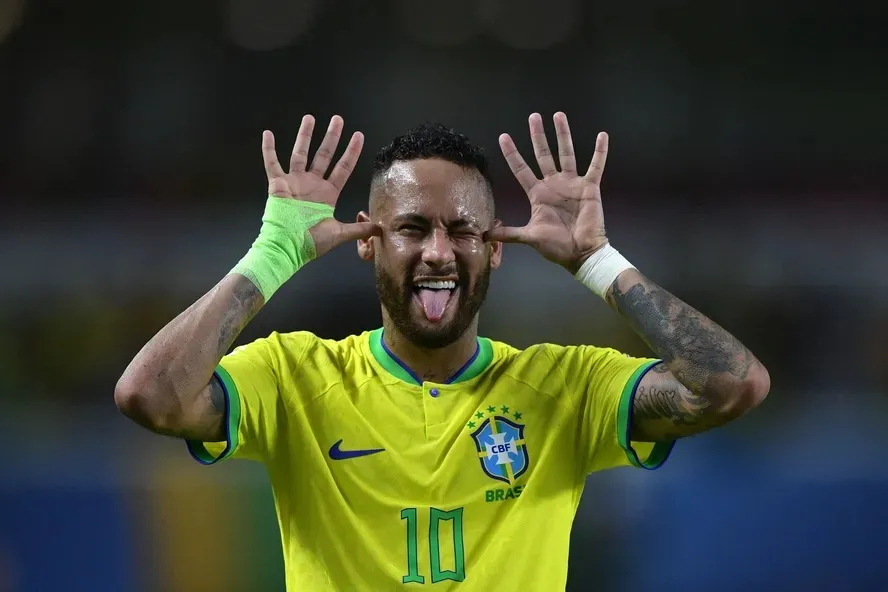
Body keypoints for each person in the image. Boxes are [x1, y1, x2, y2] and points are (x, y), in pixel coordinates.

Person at [115, 112, 770, 591]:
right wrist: (269, 258)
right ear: (368, 241)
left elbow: (731, 386)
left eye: (462, 229)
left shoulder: (565, 386)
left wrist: (600, 263)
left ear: (495, 248)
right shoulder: (293, 376)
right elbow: (151, 397)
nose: (437, 251)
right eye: (410, 228)